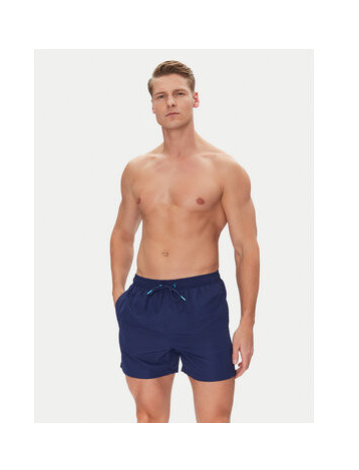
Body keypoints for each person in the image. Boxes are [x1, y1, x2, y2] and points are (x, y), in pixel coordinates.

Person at [110, 60, 260, 423]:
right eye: (161, 96)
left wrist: (247, 322)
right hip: (143, 303)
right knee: (148, 418)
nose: (170, 102)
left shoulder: (225, 169)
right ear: (152, 106)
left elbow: (245, 248)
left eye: (178, 93)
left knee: (214, 422)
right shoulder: (136, 169)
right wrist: (118, 294)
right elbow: (123, 234)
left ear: (195, 99)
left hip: (202, 304)